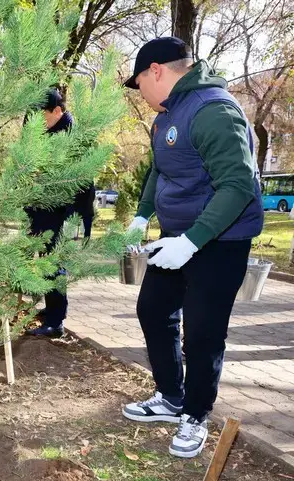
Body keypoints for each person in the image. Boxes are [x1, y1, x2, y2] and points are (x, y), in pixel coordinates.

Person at [121, 37, 263, 458]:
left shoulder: (213, 111)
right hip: (177, 238)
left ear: (156, 71)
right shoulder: (166, 117)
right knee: (153, 310)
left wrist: (191, 242)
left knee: (202, 331)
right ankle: (171, 397)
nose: (141, 93)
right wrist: (142, 215)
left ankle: (196, 415)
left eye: (139, 84)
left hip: (220, 240)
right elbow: (159, 171)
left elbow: (238, 185)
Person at [25, 88, 95, 338]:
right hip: (45, 210)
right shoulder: (50, 131)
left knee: (54, 263)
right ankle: (52, 307)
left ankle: (56, 322)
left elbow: (77, 182)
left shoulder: (71, 136)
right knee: (46, 259)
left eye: (42, 115)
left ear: (57, 111)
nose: (38, 122)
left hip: (63, 211)